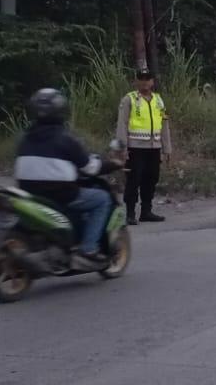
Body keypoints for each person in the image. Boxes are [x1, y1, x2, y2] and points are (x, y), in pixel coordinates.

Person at [14, 88, 112, 271]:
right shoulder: (66, 139)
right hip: (62, 196)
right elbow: (90, 168)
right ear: (61, 112)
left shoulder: (24, 138)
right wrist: (111, 164)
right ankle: (88, 250)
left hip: (30, 196)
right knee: (102, 199)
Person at [116, 69, 171, 224]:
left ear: (152, 81)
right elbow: (122, 125)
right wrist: (123, 148)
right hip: (135, 148)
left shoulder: (158, 100)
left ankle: (146, 211)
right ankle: (130, 213)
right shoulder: (129, 99)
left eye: (148, 79)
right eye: (141, 78)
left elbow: (165, 124)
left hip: (154, 148)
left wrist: (167, 148)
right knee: (134, 180)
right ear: (136, 81)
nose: (145, 82)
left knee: (151, 179)